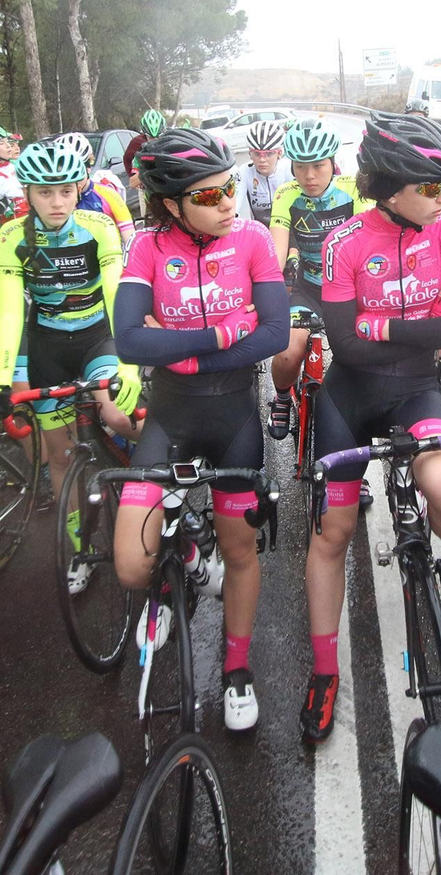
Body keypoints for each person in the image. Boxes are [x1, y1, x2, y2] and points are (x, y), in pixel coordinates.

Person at [302, 112, 441, 743]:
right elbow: (348, 351)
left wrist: (382, 327)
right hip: (348, 402)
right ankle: (325, 671)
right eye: (431, 188)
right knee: (333, 532)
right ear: (391, 186)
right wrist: (421, 324)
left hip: (416, 391)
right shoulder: (343, 241)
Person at [112, 127, 289, 733]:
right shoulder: (145, 249)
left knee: (240, 551)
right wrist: (217, 336)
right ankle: (186, 556)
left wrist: (180, 350)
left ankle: (237, 670)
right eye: (209, 196)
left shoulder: (254, 239)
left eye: (230, 188)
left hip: (235, 415)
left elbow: (271, 333)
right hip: (171, 414)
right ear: (171, 205)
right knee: (133, 564)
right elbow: (130, 339)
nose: (228, 204)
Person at [0, 139, 140, 593]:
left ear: (78, 189)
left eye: (64, 192)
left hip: (98, 337)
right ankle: (79, 548)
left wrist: (130, 364)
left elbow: (115, 294)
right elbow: (12, 311)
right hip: (47, 346)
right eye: (44, 193)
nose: (56, 203)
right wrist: (3, 380)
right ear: (28, 193)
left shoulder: (98, 227)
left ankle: (159, 477)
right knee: (58, 455)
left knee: (118, 413)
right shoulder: (13, 237)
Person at [265, 121, 369, 439]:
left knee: (355, 364)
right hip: (309, 289)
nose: (309, 176)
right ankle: (283, 397)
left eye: (318, 166)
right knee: (287, 351)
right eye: (300, 166)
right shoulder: (286, 195)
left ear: (332, 162)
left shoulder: (353, 189)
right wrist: (266, 295)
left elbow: (369, 245)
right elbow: (276, 252)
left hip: (350, 290)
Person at [56, 131, 135, 249]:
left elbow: (129, 238)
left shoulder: (108, 195)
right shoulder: (55, 201)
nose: (71, 180)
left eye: (76, 173)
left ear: (88, 168)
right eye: (63, 174)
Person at [239, 118, 290, 223]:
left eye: (269, 154)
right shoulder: (244, 171)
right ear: (250, 153)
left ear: (279, 153)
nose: (262, 159)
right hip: (260, 229)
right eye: (257, 154)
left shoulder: (289, 169)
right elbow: (234, 204)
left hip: (289, 227)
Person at [118, 109, 167, 217]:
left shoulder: (169, 142)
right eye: (150, 137)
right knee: (149, 218)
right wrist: (134, 174)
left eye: (158, 137)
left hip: (167, 189)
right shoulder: (137, 143)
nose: (154, 141)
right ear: (145, 135)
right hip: (147, 190)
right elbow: (127, 160)